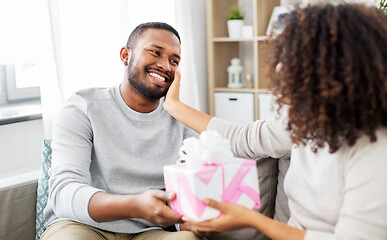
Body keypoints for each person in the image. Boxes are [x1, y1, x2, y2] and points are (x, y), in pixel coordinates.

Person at [164, 3, 387, 240]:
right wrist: (174, 106)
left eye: (295, 58)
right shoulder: (305, 117)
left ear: (339, 68)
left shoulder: (375, 149)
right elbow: (243, 139)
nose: (280, 66)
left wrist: (251, 219)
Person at [41, 22, 202, 240]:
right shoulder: (83, 107)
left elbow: (189, 197)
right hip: (82, 226)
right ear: (126, 55)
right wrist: (135, 205)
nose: (166, 66)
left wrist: (192, 220)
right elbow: (63, 193)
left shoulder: (183, 123)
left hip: (148, 231)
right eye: (155, 52)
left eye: (174, 61)